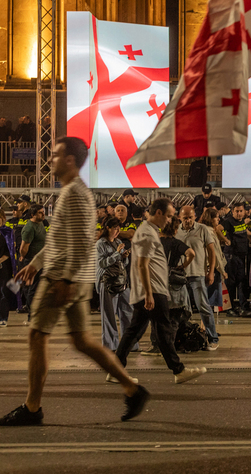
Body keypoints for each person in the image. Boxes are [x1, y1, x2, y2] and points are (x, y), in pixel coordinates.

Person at [0, 137, 149, 426]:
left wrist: (64, 278)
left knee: (36, 335)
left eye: (54, 155)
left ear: (69, 160)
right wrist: (35, 263)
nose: (50, 160)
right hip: (70, 277)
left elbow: (82, 242)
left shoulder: (75, 194)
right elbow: (60, 240)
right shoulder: (72, 192)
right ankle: (132, 389)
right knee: (82, 341)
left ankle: (32, 408)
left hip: (62, 278)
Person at [114, 197, 206, 384]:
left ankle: (115, 369)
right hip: (153, 290)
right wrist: (148, 293)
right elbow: (142, 264)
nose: (170, 221)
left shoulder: (149, 231)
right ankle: (178, 370)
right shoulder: (147, 233)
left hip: (151, 289)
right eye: (169, 216)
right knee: (163, 329)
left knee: (136, 331)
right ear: (158, 213)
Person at [144, 214, 196, 357]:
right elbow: (191, 253)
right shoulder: (176, 243)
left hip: (157, 283)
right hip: (174, 286)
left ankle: (156, 346)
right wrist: (182, 266)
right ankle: (170, 346)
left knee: (156, 317)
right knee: (173, 318)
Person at [176, 206, 218, 350]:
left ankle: (213, 338)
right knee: (183, 309)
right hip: (180, 277)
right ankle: (185, 336)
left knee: (203, 307)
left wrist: (211, 271)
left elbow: (212, 252)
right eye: (185, 218)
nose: (188, 221)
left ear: (195, 216)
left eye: (190, 217)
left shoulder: (203, 229)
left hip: (198, 275)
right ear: (179, 218)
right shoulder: (176, 231)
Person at [96, 216, 137, 352]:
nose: (117, 231)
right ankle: (110, 345)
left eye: (119, 229)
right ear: (108, 228)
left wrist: (124, 257)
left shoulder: (118, 241)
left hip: (121, 281)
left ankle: (129, 344)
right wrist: (117, 254)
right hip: (107, 282)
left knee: (128, 311)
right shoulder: (101, 244)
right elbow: (102, 263)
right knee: (109, 315)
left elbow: (122, 264)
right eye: (115, 228)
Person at [223, 202, 251, 318]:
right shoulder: (228, 221)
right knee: (230, 283)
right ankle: (229, 309)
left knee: (241, 281)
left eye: (241, 211)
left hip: (241, 255)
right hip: (231, 256)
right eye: (237, 211)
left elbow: (243, 232)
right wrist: (226, 240)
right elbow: (218, 229)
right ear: (232, 211)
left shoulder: (241, 221)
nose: (239, 213)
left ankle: (242, 307)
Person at [19, 204, 47, 317]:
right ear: (32, 214)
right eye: (40, 212)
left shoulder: (40, 224)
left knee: (39, 288)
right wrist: (25, 258)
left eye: (43, 212)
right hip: (32, 261)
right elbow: (23, 248)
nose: (43, 214)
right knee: (33, 289)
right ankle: (32, 315)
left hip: (41, 261)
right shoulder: (29, 228)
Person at [199, 208, 229, 311]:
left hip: (206, 268)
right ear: (211, 219)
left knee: (207, 300)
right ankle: (206, 325)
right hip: (212, 269)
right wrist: (222, 271)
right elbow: (214, 254)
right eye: (217, 217)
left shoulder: (204, 230)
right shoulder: (209, 233)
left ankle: (205, 325)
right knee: (209, 301)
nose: (218, 220)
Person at [0, 210, 15, 327]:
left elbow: (9, 252)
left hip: (4, 267)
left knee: (4, 292)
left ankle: (3, 317)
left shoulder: (7, 233)